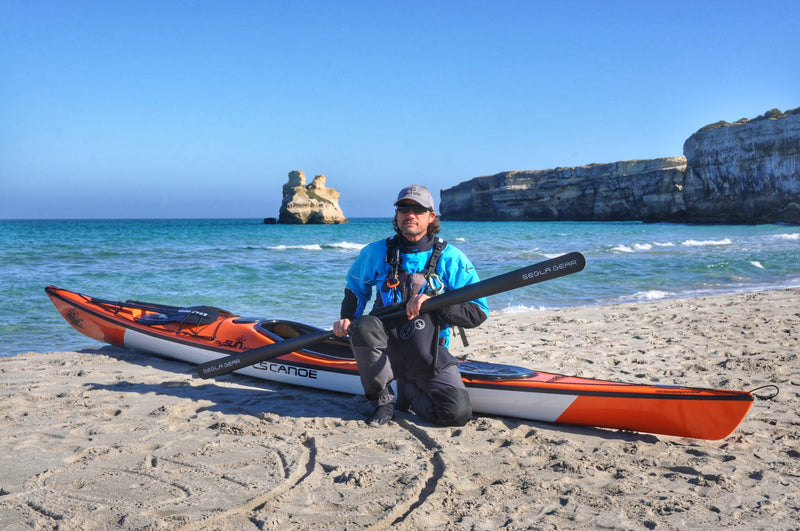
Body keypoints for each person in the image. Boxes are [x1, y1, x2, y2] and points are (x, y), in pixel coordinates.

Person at [333, 184, 489, 426]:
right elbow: (356, 288)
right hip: (384, 353)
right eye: (404, 209)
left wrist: (436, 303)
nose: (410, 214)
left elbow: (478, 312)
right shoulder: (375, 252)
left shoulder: (451, 258)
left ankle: (408, 392)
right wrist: (347, 318)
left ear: (431, 216)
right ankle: (383, 401)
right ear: (397, 215)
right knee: (363, 325)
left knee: (456, 414)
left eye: (418, 209)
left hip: (429, 354)